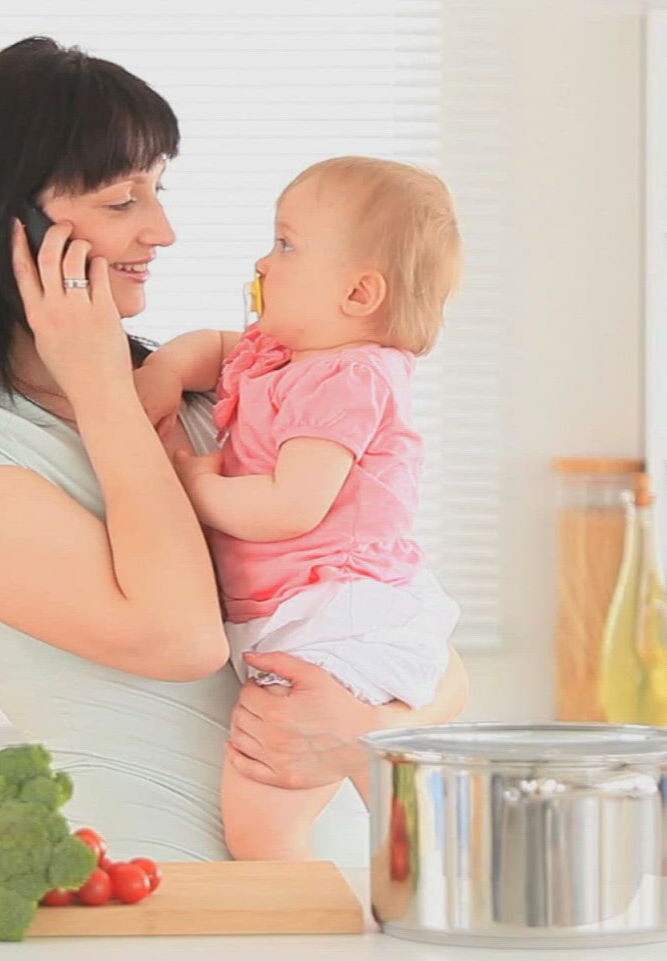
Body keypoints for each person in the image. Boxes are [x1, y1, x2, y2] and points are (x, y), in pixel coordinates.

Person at [0, 37, 469, 863]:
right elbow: (181, 640)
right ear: (17, 228)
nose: (163, 231)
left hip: (335, 893)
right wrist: (103, 390)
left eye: (159, 189)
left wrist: (365, 723)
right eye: (123, 201)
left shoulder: (222, 397)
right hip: (141, 894)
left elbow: (427, 653)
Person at [136, 155, 463, 860]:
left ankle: (328, 904)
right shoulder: (286, 357)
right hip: (305, 612)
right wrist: (165, 369)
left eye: (286, 245)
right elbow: (215, 348)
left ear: (359, 292)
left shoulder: (348, 377)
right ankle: (425, 886)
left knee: (263, 816)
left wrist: (190, 486)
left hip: (333, 618)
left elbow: (291, 506)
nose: (263, 261)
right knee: (389, 821)